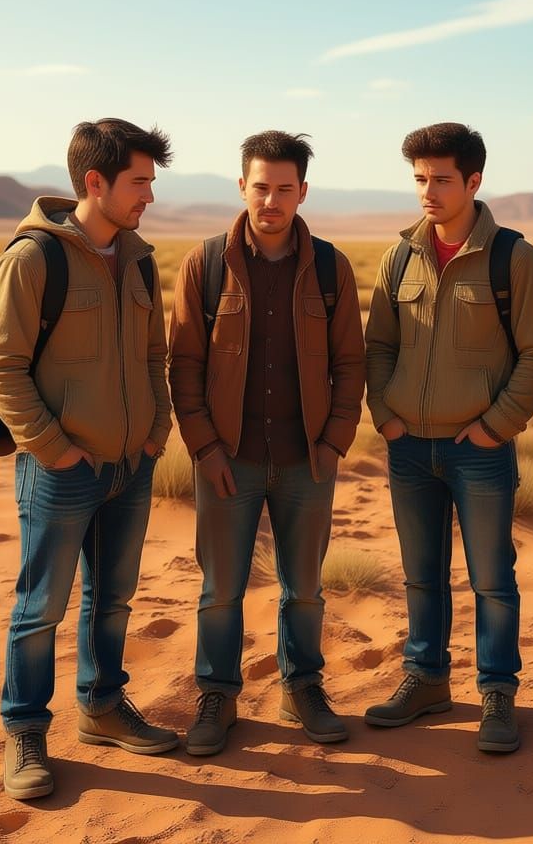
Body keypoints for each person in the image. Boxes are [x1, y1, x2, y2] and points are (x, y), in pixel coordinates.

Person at [0, 118, 178, 801]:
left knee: (112, 600)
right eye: (138, 182)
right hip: (61, 470)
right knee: (41, 607)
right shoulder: (35, 258)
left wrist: (157, 429)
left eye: (151, 182)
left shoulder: (141, 259)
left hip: (131, 465)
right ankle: (26, 730)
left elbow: (155, 354)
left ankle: (100, 707)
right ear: (94, 182)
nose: (148, 195)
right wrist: (55, 449)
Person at [168, 131, 365, 755]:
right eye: (261, 187)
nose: (272, 201)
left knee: (303, 586)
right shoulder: (204, 266)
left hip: (307, 460)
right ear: (242, 187)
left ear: (302, 192)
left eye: (285, 189)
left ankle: (302, 687)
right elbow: (184, 367)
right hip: (228, 460)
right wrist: (203, 449)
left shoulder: (331, 268)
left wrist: (333, 443)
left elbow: (352, 363)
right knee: (220, 588)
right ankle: (217, 695)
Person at [363, 121, 533, 753]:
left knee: (492, 577)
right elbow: (378, 347)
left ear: (473, 181)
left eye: (441, 179)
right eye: (419, 179)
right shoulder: (401, 256)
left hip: (480, 452)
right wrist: (386, 416)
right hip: (410, 447)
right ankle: (425, 679)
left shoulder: (513, 258)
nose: (428, 191)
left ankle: (497, 692)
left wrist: (495, 426)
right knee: (421, 574)